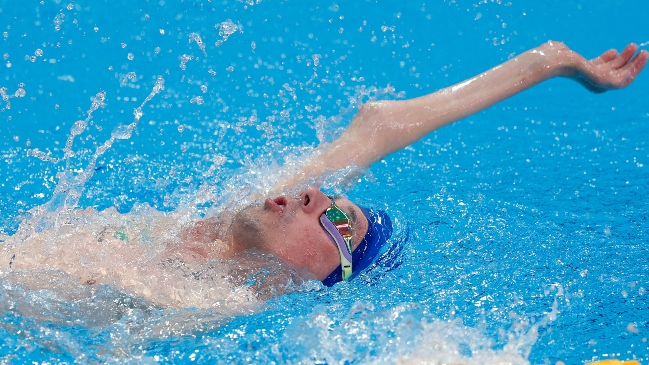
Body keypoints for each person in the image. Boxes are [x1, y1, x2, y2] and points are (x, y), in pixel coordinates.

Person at [1, 41, 647, 307]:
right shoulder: (235, 216)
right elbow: (378, 125)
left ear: (313, 277)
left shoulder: (195, 302)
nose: (316, 193)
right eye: (332, 197)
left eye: (334, 219)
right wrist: (554, 61)